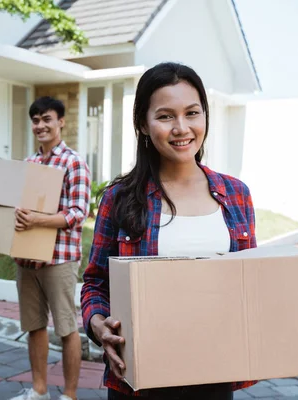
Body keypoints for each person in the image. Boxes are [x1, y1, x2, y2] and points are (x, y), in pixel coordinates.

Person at [80, 62, 259, 400]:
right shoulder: (119, 198)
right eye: (165, 116)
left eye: (192, 113)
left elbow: (248, 284)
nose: (182, 128)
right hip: (140, 378)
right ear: (144, 126)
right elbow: (94, 282)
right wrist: (96, 323)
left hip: (214, 373)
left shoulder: (237, 194)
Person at [0, 96, 91, 400]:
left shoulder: (73, 163)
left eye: (47, 119)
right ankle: (39, 391)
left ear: (61, 121)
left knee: (66, 328)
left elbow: (78, 214)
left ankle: (70, 395)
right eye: (35, 120)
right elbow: (7, 213)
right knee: (34, 327)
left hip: (59, 259)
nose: (40, 125)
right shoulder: (27, 165)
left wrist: (38, 219)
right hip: (26, 260)